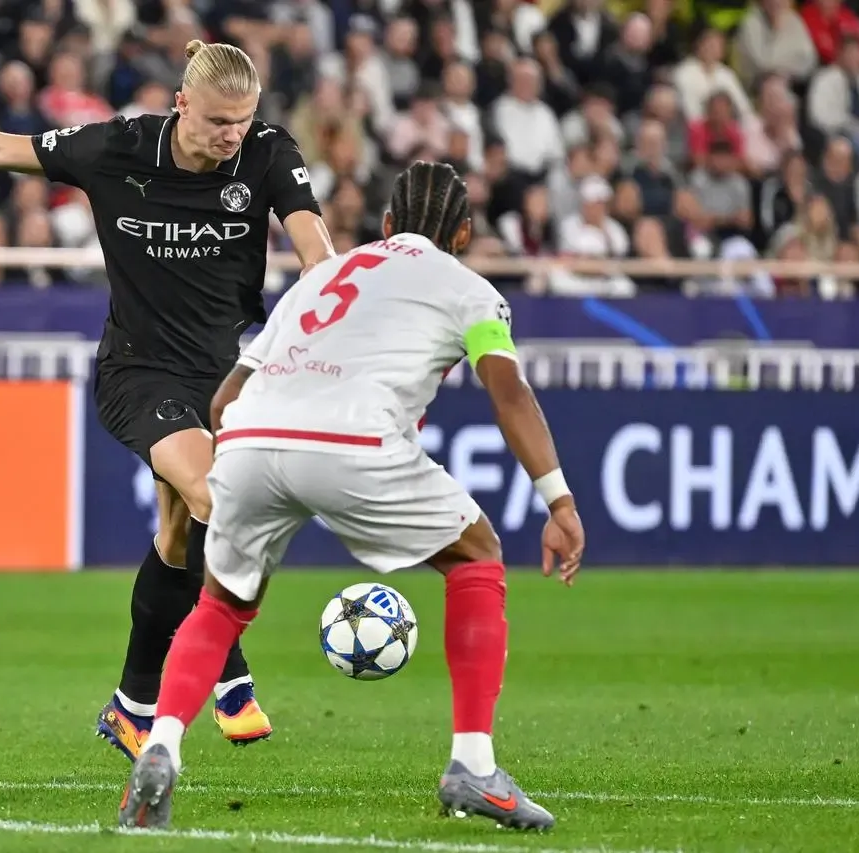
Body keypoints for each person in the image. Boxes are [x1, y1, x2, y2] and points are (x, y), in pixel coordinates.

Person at [0, 40, 335, 761]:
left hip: (224, 377)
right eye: (216, 122)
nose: (230, 136)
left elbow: (319, 258)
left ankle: (132, 706)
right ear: (180, 104)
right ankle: (226, 670)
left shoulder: (266, 152)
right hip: (138, 371)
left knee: (177, 536)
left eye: (242, 121)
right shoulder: (119, 147)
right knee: (212, 493)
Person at [117, 161, 585, 832]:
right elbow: (508, 391)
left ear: (387, 224)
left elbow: (225, 399)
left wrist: (253, 475)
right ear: (462, 233)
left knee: (221, 602)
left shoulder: (322, 277)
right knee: (477, 554)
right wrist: (559, 501)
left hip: (248, 436)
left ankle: (160, 746)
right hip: (353, 440)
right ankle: (474, 765)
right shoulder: (470, 290)